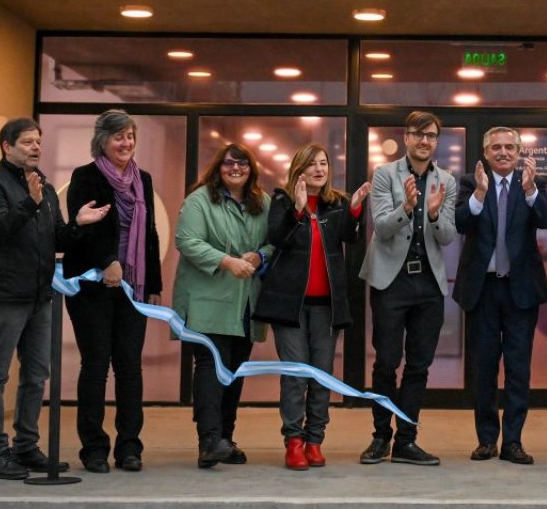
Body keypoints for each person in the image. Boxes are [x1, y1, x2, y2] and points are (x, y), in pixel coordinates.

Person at [0, 117, 107, 480]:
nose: (36, 148)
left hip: (39, 295)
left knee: (36, 375)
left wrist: (78, 224)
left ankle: (26, 446)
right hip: (4, 295)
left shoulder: (44, 189)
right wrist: (28, 204)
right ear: (7, 147)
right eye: (28, 142)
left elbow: (56, 238)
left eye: (38, 142)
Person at [253, 144, 372, 471]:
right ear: (299, 169)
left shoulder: (337, 203)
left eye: (324, 163)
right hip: (289, 307)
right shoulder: (282, 200)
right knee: (296, 375)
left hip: (326, 308)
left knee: (321, 376)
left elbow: (351, 237)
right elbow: (277, 237)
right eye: (312, 164)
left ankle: (315, 441)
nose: (319, 169)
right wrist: (298, 208)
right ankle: (293, 442)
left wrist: (356, 210)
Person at [63, 109, 163, 474]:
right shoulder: (85, 176)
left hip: (132, 287)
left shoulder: (142, 179)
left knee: (129, 367)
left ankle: (129, 448)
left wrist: (152, 284)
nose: (126, 143)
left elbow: (149, 233)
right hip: (91, 285)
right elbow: (83, 226)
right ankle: (93, 449)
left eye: (131, 136)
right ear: (102, 141)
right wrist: (107, 261)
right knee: (95, 365)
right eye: (119, 137)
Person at [358, 110, 458, 466]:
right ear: (406, 137)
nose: (425, 141)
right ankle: (380, 436)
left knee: (419, 365)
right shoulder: (385, 174)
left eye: (431, 135)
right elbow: (383, 228)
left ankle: (406, 440)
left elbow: (447, 236)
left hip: (428, 282)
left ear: (436, 140)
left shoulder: (446, 180)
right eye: (418, 134)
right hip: (391, 280)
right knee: (386, 361)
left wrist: (432, 214)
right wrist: (407, 207)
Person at [454, 126, 547, 464]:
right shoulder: (471, 182)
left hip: (519, 289)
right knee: (483, 368)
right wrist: (480, 194)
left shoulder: (532, 182)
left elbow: (545, 220)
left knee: (518, 368)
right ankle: (486, 440)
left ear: (519, 152)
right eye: (496, 147)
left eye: (510, 147)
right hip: (482, 289)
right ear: (486, 153)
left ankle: (513, 441)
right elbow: (460, 223)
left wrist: (530, 191)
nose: (503, 152)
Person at [174, 142, 273, 470]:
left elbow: (276, 241)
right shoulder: (199, 200)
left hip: (244, 304)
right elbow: (187, 241)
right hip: (207, 301)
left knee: (234, 371)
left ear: (251, 170)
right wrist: (227, 262)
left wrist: (260, 256)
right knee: (210, 367)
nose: (236, 169)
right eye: (229, 163)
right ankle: (208, 441)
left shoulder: (263, 203)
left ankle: (225, 440)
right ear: (218, 168)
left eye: (243, 164)